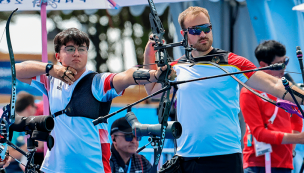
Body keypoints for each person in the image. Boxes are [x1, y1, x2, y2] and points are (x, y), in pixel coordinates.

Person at [144, 6, 304, 173]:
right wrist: (149, 53)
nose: (203, 34)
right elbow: (152, 89)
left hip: (224, 157)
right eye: (195, 30)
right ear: (184, 35)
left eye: (206, 28)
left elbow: (275, 85)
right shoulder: (177, 67)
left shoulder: (232, 61)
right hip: (187, 158)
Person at [15, 28, 173, 173]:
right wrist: (52, 69)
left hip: (92, 169)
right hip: (53, 168)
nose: (77, 53)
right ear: (58, 56)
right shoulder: (51, 80)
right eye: (70, 49)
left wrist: (154, 75)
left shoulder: (97, 82)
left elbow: (125, 77)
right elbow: (18, 70)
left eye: (82, 49)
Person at [240, 40, 303, 173]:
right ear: (263, 65)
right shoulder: (249, 90)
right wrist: (297, 138)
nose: (284, 68)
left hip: (284, 163)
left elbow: (296, 121)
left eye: (286, 62)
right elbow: (259, 133)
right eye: (280, 64)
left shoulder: (288, 86)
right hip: (257, 164)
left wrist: (291, 150)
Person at [5, 91, 36, 173]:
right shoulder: (12, 125)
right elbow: (9, 155)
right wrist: (30, 145)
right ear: (29, 107)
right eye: (35, 106)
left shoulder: (22, 125)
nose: (36, 110)